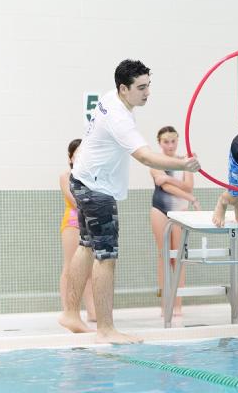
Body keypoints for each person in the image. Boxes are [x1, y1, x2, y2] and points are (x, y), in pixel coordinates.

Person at [58, 59, 200, 344]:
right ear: (124, 88)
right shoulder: (120, 118)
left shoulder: (111, 98)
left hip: (84, 180)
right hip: (97, 190)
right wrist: (183, 164)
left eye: (149, 86)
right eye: (141, 87)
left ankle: (71, 314)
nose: (147, 93)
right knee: (106, 257)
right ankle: (106, 328)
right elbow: (145, 156)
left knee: (87, 247)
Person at [150, 126, 201, 317]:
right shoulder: (154, 161)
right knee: (163, 256)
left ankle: (178, 304)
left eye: (173, 141)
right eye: (166, 142)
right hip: (159, 209)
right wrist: (190, 197)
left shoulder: (186, 161)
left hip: (179, 212)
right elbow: (163, 185)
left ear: (178, 141)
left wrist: (169, 180)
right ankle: (165, 305)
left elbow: (188, 186)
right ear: (160, 142)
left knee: (178, 258)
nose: (170, 146)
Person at [59, 138, 96, 322]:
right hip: (72, 223)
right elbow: (75, 201)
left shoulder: (91, 177)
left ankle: (91, 311)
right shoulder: (66, 176)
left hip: (88, 222)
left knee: (88, 270)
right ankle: (68, 310)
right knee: (69, 266)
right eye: (77, 154)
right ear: (70, 158)